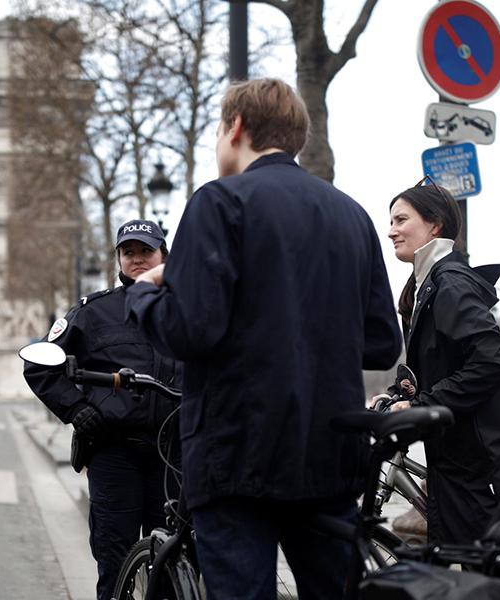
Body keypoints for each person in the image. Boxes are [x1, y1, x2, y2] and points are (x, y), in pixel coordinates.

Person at [124, 78, 403, 600]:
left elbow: (190, 330)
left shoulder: (218, 203)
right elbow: (383, 344)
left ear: (236, 128)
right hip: (330, 452)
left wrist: (141, 296)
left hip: (237, 454)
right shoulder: (352, 215)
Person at [23, 219, 182, 600]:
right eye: (129, 253)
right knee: (114, 562)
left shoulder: (191, 308)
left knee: (175, 567)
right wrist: (77, 409)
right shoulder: (93, 312)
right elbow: (40, 366)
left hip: (175, 454)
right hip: (116, 453)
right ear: (118, 260)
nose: (137, 259)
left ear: (164, 254)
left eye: (146, 251)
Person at [374, 177, 500, 546]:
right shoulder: (426, 286)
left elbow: (491, 360)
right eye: (391, 221)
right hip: (461, 462)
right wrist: (400, 393)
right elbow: (442, 365)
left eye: (401, 220)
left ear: (434, 225)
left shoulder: (450, 283)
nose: (391, 231)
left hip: (480, 463)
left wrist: (424, 404)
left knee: (488, 579)